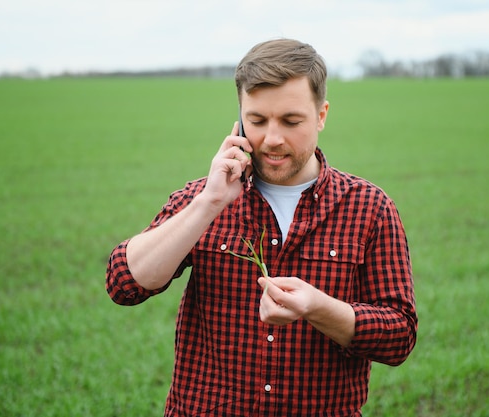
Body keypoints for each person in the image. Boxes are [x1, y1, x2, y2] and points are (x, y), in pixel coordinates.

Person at [106, 38, 417, 416]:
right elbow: (124, 284)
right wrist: (209, 203)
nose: (272, 139)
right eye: (257, 120)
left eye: (291, 121)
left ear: (321, 115)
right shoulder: (203, 199)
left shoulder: (369, 208)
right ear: (238, 119)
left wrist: (320, 308)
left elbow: (399, 336)